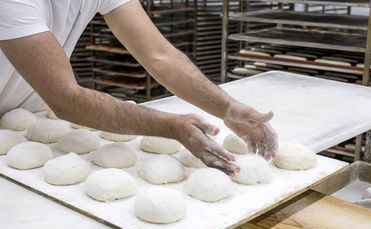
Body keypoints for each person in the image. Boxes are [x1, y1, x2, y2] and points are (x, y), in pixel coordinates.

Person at [0, 0, 278, 175]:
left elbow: (160, 55)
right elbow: (65, 97)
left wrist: (226, 107)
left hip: (28, 120)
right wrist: (170, 126)